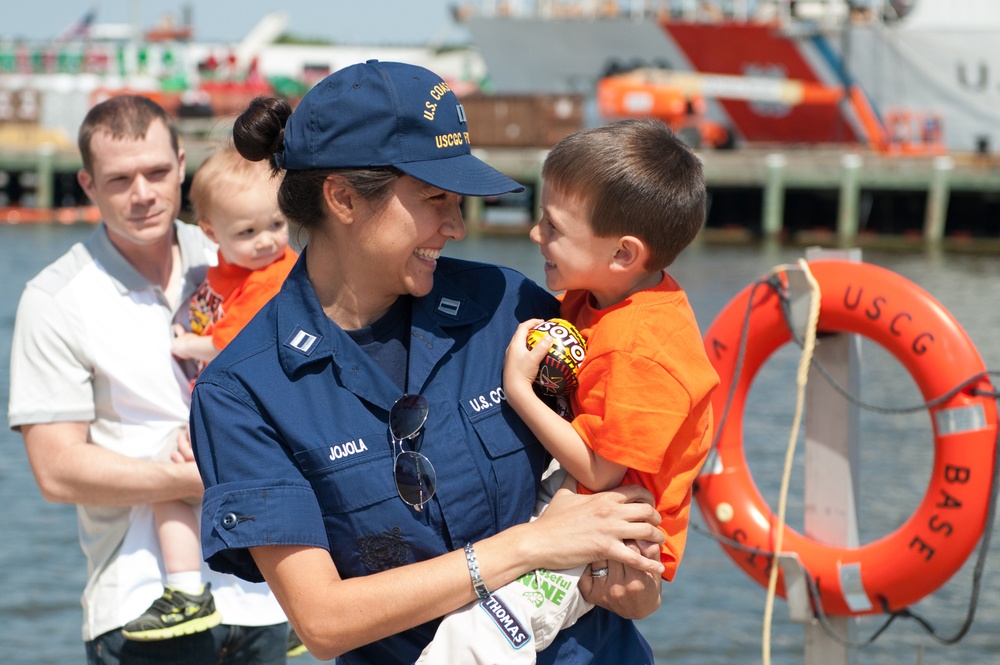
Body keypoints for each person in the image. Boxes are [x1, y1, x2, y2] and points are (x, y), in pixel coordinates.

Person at [189, 59, 666, 665]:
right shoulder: (243, 392)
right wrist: (529, 547)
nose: (457, 226)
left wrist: (638, 580)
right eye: (435, 198)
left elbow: (627, 462)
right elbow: (323, 620)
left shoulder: (511, 307)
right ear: (342, 198)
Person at [417, 119, 721, 662]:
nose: (536, 235)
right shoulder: (600, 294)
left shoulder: (642, 347)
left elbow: (600, 471)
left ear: (624, 255)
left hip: (615, 530)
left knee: (483, 633)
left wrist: (519, 389)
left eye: (553, 227)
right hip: (580, 498)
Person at [7, 94, 290, 663]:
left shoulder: (246, 247)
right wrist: (190, 483)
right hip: (140, 605)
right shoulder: (56, 297)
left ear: (182, 166)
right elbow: (57, 472)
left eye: (158, 172)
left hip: (270, 600)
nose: (143, 193)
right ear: (87, 185)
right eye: (119, 179)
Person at [120, 145, 299, 642]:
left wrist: (182, 342)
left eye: (277, 226)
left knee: (170, 486)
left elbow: (236, 342)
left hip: (241, 409)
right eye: (248, 232)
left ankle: (185, 592)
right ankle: (296, 605)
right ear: (211, 234)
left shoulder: (275, 275)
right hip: (231, 405)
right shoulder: (226, 274)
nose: (267, 241)